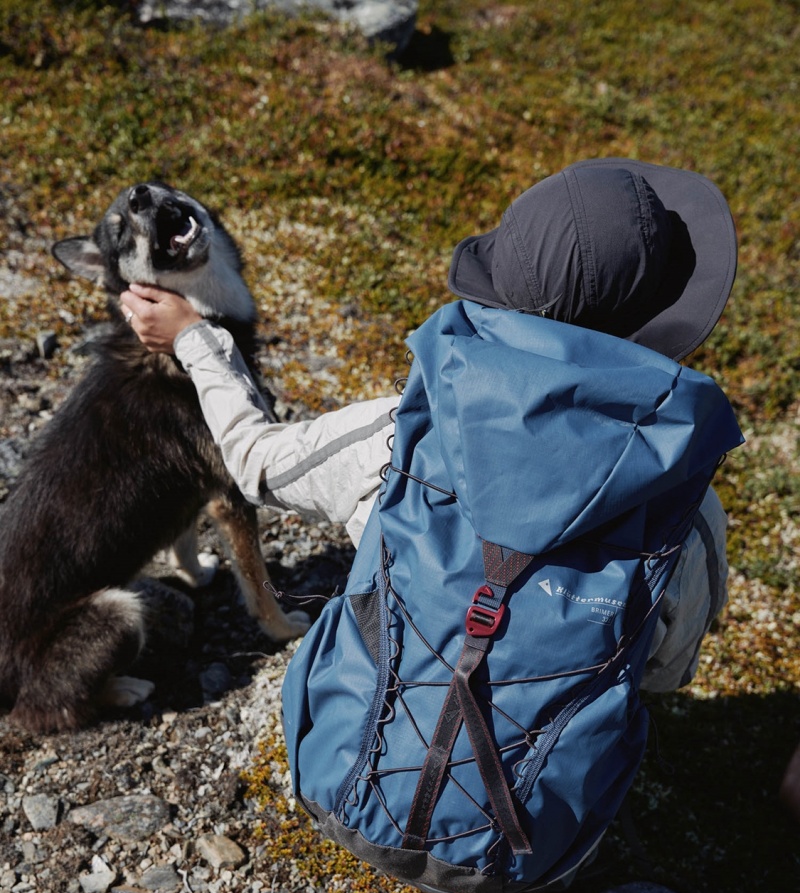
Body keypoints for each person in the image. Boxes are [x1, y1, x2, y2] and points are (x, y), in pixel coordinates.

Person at [120, 157, 737, 692]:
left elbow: (252, 463)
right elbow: (664, 675)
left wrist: (196, 339)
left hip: (357, 771)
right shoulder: (688, 511)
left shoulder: (401, 436)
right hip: (544, 818)